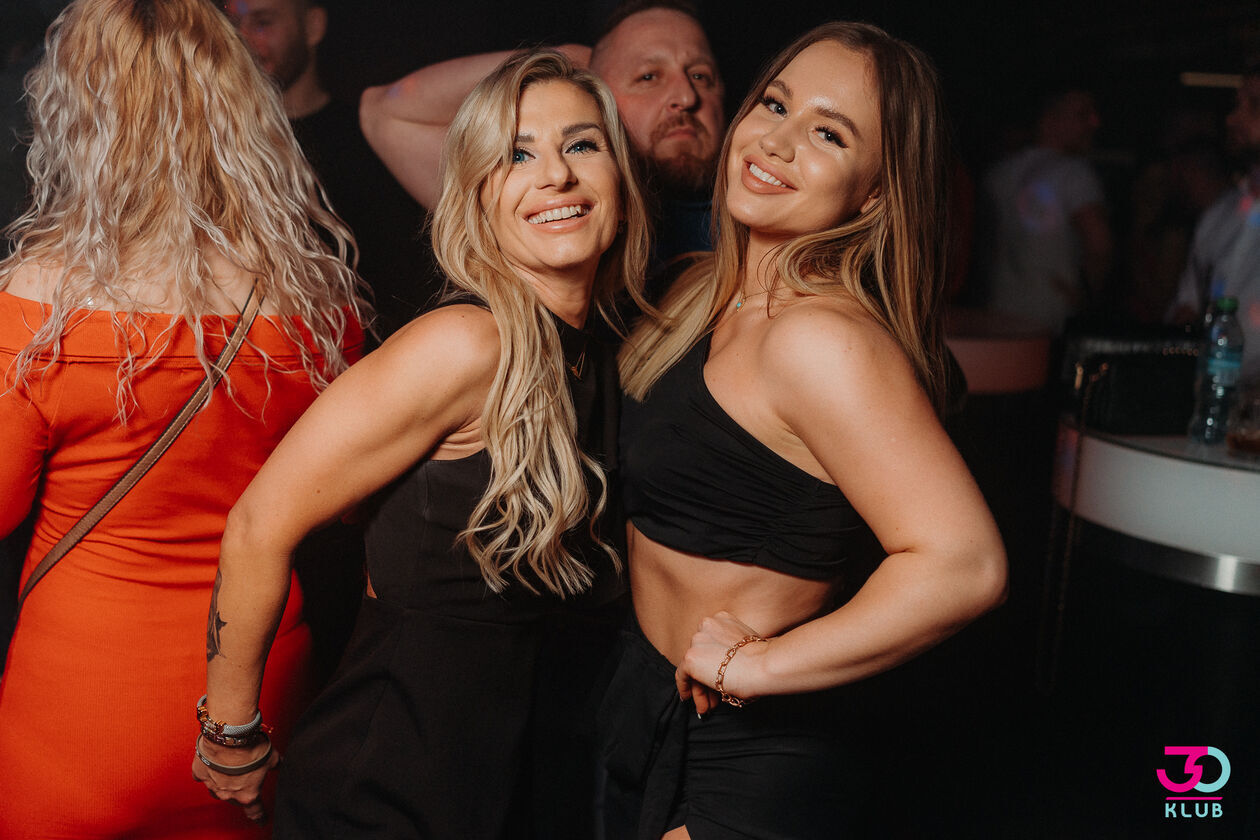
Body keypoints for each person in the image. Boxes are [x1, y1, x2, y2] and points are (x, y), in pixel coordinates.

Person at [194, 50, 649, 838]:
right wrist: (230, 733)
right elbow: (258, 525)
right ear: (476, 195)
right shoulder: (465, 344)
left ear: (620, 176)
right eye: (516, 155)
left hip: (514, 786)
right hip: (388, 786)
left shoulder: (598, 351)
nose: (556, 176)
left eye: (582, 144)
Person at [607, 22, 1007, 839]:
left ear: (875, 194)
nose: (777, 141)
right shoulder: (696, 291)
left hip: (744, 760)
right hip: (646, 705)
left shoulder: (821, 340)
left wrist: (758, 665)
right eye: (774, 104)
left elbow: (965, 564)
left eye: (829, 133)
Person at [0, 0, 365, 837]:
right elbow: (340, 507)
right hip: (255, 695)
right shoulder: (314, 299)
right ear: (239, 109)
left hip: (84, 700)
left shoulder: (38, 300)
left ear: (80, 114)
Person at [359, 0, 723, 283]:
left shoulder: (745, 220)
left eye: (700, 75)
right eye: (648, 76)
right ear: (597, 98)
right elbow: (386, 113)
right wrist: (559, 63)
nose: (686, 96)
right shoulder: (545, 204)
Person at [225, 0, 436, 338]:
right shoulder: (224, 147)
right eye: (235, 25)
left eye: (263, 23)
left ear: (313, 26)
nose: (244, 39)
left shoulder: (371, 135)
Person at [981, 82, 1113, 333]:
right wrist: (1086, 297)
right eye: (1083, 115)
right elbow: (1099, 246)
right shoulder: (1074, 173)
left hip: (996, 313)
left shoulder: (996, 175)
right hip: (1049, 320)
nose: (1095, 123)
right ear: (1050, 120)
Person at [1168, 64, 1260, 384]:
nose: (1233, 119)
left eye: (1254, 106)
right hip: (1210, 395)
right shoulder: (1219, 214)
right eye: (1237, 105)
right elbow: (1187, 306)